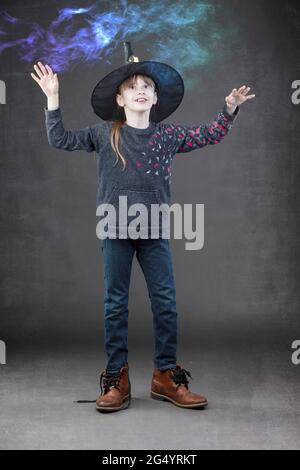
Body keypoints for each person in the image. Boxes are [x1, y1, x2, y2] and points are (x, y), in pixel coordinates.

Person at [30, 47, 255, 413]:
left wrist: (228, 109)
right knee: (115, 305)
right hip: (114, 231)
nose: (139, 90)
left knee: (165, 304)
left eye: (146, 86)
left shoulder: (166, 136)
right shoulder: (104, 135)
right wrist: (53, 98)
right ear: (120, 98)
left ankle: (165, 376)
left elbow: (210, 134)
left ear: (154, 98)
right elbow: (60, 139)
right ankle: (117, 377)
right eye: (132, 86)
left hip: (154, 234)